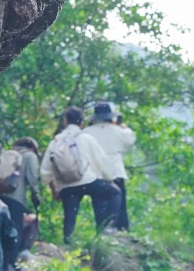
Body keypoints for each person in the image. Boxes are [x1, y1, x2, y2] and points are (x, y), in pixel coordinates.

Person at [40, 106, 119, 242]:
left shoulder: (56, 141)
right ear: (81, 123)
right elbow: (102, 161)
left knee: (69, 217)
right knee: (113, 192)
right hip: (87, 181)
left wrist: (54, 190)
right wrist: (109, 179)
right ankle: (104, 231)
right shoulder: (85, 138)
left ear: (66, 121)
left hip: (66, 185)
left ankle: (67, 244)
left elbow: (46, 171)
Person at [85, 102, 136, 231]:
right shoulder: (118, 131)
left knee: (99, 204)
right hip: (116, 171)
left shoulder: (87, 132)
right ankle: (120, 230)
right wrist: (124, 127)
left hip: (96, 173)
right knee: (120, 204)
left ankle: (101, 230)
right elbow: (130, 140)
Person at [11, 137, 42, 258]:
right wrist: (36, 194)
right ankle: (12, 262)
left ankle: (5, 264)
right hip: (17, 198)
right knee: (16, 230)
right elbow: (32, 178)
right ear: (32, 148)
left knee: (5, 229)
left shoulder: (9, 154)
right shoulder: (30, 155)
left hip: (0, 197)